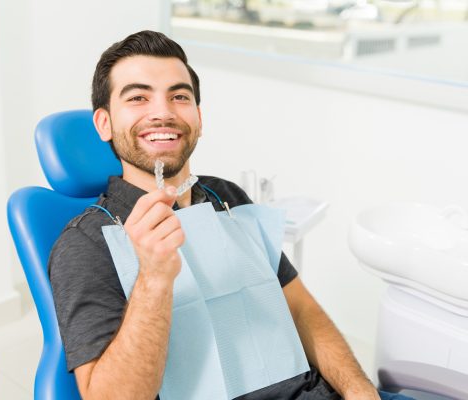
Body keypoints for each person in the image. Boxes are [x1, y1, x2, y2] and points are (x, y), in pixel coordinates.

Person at [49, 30, 413, 400]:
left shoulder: (226, 197)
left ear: (199, 118)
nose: (162, 112)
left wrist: (359, 390)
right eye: (138, 98)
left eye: (179, 96)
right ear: (104, 123)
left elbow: (301, 308)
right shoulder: (85, 242)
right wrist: (154, 280)